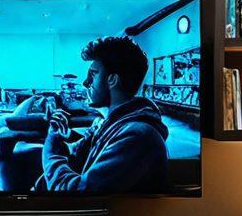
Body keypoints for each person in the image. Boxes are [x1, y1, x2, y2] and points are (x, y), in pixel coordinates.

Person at [39, 35, 169, 192]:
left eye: (93, 74)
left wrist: (50, 149)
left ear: (112, 80)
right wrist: (59, 137)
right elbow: (77, 152)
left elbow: (78, 193)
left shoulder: (138, 136)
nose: (85, 83)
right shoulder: (106, 123)